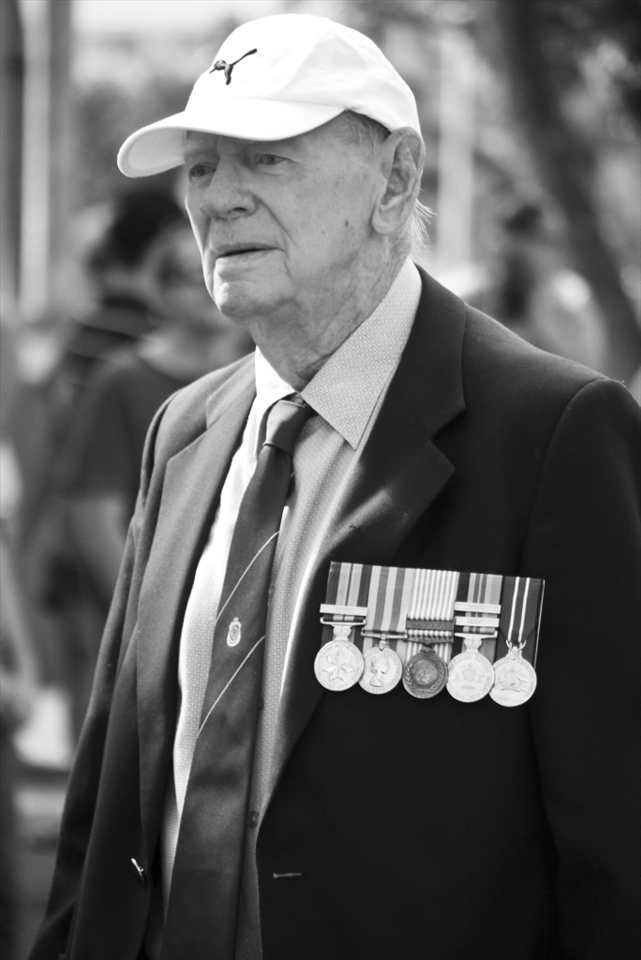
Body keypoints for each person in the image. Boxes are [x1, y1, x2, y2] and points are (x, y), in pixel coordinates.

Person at [31, 14, 640, 960]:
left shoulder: (553, 436)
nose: (218, 199)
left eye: (266, 159)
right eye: (200, 166)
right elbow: (110, 805)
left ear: (394, 180)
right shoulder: (183, 431)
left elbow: (618, 846)